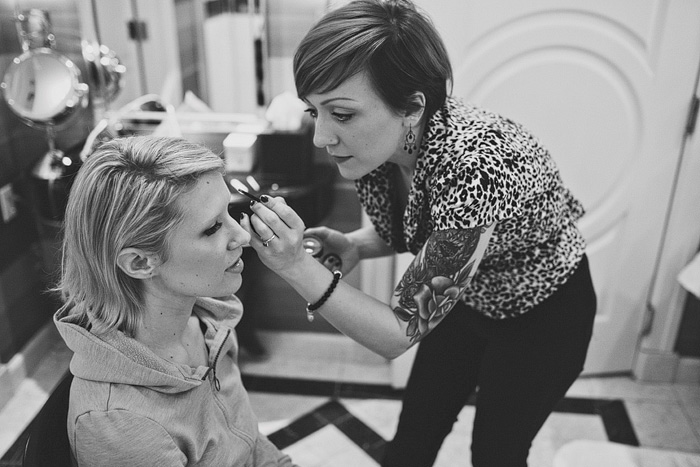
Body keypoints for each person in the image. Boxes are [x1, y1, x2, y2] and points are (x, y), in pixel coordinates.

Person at [240, 0, 597, 466]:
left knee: (496, 453)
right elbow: (429, 233)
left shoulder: (476, 163)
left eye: (342, 114)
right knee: (412, 442)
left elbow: (398, 332)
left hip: (542, 315)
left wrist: (294, 265)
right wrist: (356, 246)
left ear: (411, 107)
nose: (321, 138)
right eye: (315, 112)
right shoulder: (381, 146)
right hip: (465, 301)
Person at [53, 136, 296, 467]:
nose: (241, 236)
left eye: (229, 213)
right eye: (212, 229)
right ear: (140, 263)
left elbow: (247, 439)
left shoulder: (211, 324)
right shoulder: (121, 426)